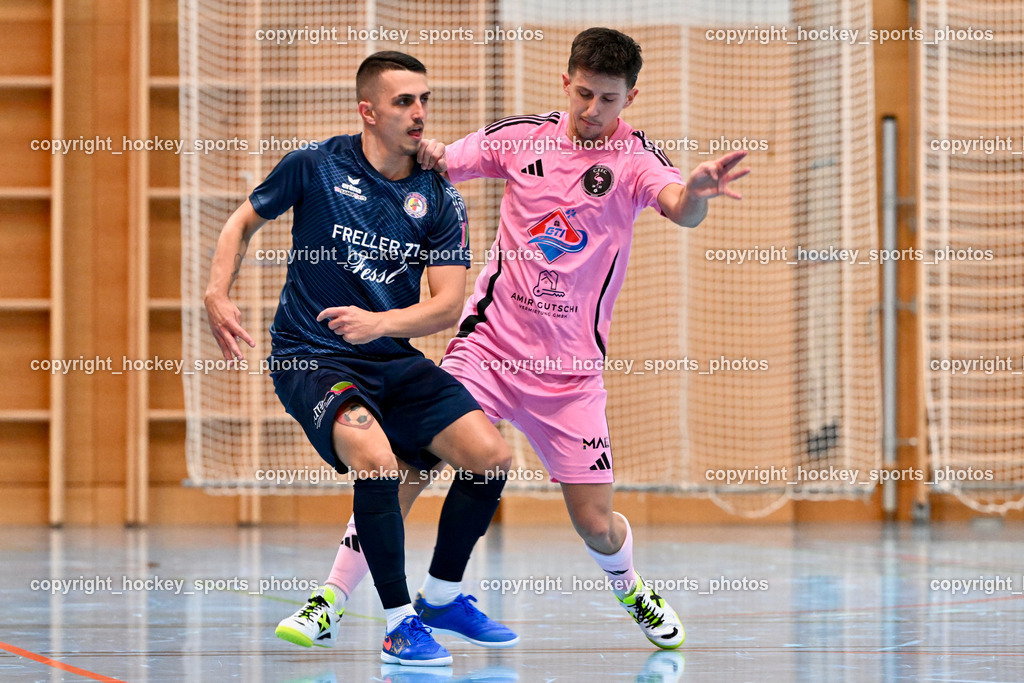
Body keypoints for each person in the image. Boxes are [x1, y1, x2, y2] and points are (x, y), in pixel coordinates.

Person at [279, 27, 749, 651]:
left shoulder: (635, 160)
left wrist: (696, 195)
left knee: (596, 524)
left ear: (629, 99)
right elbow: (442, 159)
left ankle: (631, 585)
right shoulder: (520, 137)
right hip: (487, 349)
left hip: (571, 374)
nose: (592, 110)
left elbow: (679, 206)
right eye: (584, 93)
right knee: (409, 470)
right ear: (566, 82)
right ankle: (331, 599)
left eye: (608, 99)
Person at [203, 51, 519, 667]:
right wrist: (217, 292)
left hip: (390, 355)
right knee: (376, 461)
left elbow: (448, 306)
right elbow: (241, 223)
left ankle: (440, 597)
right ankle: (399, 626)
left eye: (424, 99)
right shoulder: (315, 167)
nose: (420, 113)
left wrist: (380, 324)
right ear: (368, 112)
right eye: (404, 102)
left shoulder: (439, 196)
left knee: (490, 458)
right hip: (310, 355)